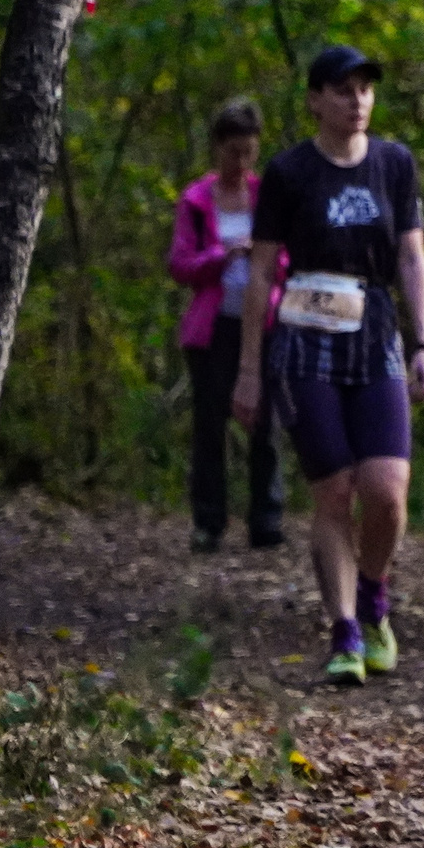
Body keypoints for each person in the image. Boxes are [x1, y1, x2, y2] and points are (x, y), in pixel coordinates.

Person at [232, 47, 424, 686]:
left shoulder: (393, 163)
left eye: (366, 91)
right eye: (344, 91)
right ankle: (345, 629)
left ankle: (374, 594)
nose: (358, 102)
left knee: (385, 491)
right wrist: (249, 370)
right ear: (315, 100)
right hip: (303, 337)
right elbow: (261, 270)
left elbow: (411, 257)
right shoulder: (290, 171)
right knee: (334, 491)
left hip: (373, 330)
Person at [170, 99, 287, 554]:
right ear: (217, 148)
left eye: (249, 151)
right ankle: (209, 521)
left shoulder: (267, 197)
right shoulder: (196, 201)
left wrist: (264, 258)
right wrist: (224, 254)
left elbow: (288, 257)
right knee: (209, 425)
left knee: (266, 421)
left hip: (265, 320)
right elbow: (180, 265)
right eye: (233, 151)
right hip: (212, 326)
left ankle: (267, 519)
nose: (241, 161)